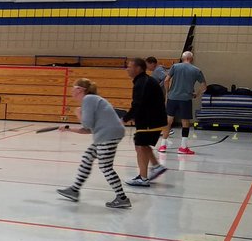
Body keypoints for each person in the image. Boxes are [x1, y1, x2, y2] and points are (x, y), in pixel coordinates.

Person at [56, 79, 130, 209]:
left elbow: (87, 125)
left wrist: (79, 114)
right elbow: (88, 130)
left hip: (108, 135)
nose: (72, 90)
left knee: (105, 167)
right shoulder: (92, 100)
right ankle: (74, 190)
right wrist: (68, 128)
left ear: (81, 89)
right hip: (107, 134)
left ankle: (122, 198)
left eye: (74, 87)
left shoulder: (89, 99)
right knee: (87, 158)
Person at [122, 57, 168, 188]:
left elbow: (138, 104)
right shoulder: (143, 81)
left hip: (150, 120)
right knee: (141, 144)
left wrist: (125, 119)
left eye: (130, 66)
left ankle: (143, 178)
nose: (127, 69)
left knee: (141, 146)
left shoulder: (142, 82)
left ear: (138, 68)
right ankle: (156, 166)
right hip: (152, 119)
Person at [159, 51, 206, 155]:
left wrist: (168, 93)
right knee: (185, 122)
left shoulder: (175, 67)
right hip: (186, 99)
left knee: (168, 121)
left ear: (182, 58)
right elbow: (204, 86)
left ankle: (163, 145)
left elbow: (166, 80)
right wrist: (196, 94)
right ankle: (183, 147)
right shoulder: (196, 70)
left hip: (172, 98)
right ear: (191, 59)